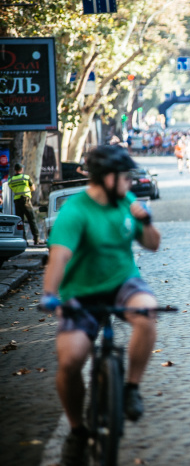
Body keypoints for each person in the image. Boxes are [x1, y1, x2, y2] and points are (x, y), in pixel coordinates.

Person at [39, 145, 161, 466]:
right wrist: (50, 294)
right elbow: (59, 257)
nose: (130, 184)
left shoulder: (127, 203)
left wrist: (145, 221)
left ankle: (131, 387)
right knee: (71, 359)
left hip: (123, 282)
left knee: (147, 312)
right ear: (107, 178)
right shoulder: (75, 211)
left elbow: (153, 245)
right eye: (125, 178)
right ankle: (77, 430)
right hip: (81, 291)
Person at [8, 163, 40, 245]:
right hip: (25, 200)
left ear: (15, 170)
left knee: (20, 221)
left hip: (17, 201)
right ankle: (36, 239)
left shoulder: (11, 180)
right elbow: (33, 188)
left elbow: (12, 188)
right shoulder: (26, 178)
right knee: (31, 219)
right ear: (21, 169)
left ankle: (23, 240)